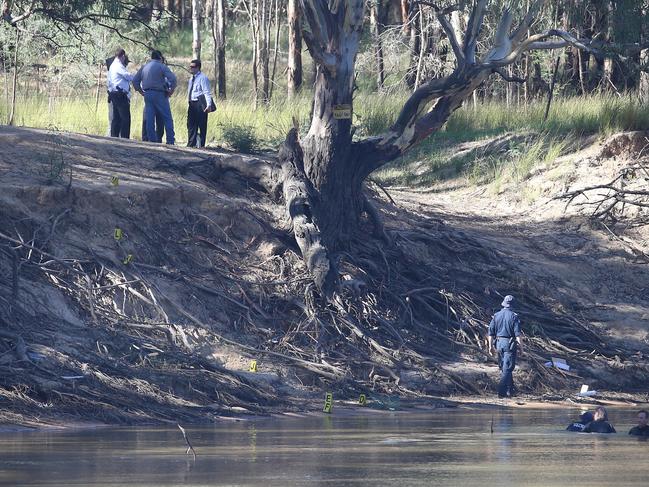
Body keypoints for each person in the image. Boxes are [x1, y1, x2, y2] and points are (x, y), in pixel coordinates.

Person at [132, 50, 177, 144]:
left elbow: (135, 81)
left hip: (148, 94)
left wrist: (141, 91)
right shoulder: (161, 66)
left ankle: (152, 141)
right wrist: (171, 90)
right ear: (160, 57)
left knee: (150, 118)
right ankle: (170, 140)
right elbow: (173, 79)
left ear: (151, 57)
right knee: (167, 117)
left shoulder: (144, 67)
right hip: (160, 94)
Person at [488, 295, 523, 398]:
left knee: (504, 367)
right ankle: (501, 392)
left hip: (498, 344)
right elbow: (518, 335)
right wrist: (521, 348)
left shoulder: (496, 315)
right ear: (512, 305)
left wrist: (490, 347)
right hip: (509, 345)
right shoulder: (514, 316)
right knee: (507, 368)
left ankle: (511, 390)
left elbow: (490, 333)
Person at [186, 59, 213, 148]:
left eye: (193, 67)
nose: (191, 69)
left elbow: (206, 92)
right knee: (191, 125)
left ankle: (201, 145)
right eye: (190, 67)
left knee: (202, 125)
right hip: (192, 103)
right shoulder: (191, 79)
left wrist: (208, 105)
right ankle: (191, 144)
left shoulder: (203, 78)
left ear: (198, 68)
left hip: (200, 103)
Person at [107, 49, 134, 138]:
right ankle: (124, 138)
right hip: (120, 94)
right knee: (125, 118)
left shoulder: (113, 65)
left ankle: (114, 136)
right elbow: (128, 76)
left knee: (117, 117)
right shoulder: (118, 66)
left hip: (114, 94)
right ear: (122, 56)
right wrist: (136, 76)